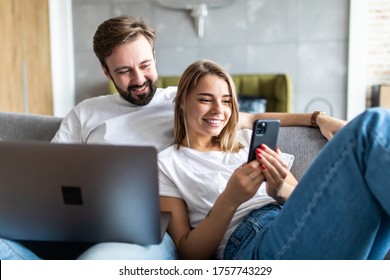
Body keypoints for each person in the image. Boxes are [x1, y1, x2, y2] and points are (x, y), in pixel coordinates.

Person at [0, 16, 345, 260]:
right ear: (106, 72)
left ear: (154, 57)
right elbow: (49, 176)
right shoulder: (85, 113)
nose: (139, 79)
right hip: (84, 223)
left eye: (145, 65)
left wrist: (318, 118)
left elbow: (244, 117)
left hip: (151, 234)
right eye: (123, 71)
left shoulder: (180, 100)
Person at [158, 59, 390, 260]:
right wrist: (229, 200)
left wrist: (279, 190)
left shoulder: (248, 141)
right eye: (206, 99)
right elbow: (188, 252)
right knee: (371, 125)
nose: (219, 110)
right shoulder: (167, 164)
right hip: (251, 242)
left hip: (288, 221)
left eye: (227, 101)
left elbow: (303, 202)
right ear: (181, 101)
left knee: (380, 128)